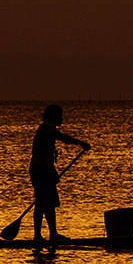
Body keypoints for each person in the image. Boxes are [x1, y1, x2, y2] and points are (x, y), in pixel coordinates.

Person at [29, 104, 89, 243]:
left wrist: (52, 172)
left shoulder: (47, 128)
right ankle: (39, 236)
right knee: (42, 203)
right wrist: (81, 143)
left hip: (42, 170)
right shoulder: (47, 127)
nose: (62, 119)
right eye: (59, 116)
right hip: (41, 171)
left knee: (47, 203)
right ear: (53, 116)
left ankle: (51, 234)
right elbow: (63, 138)